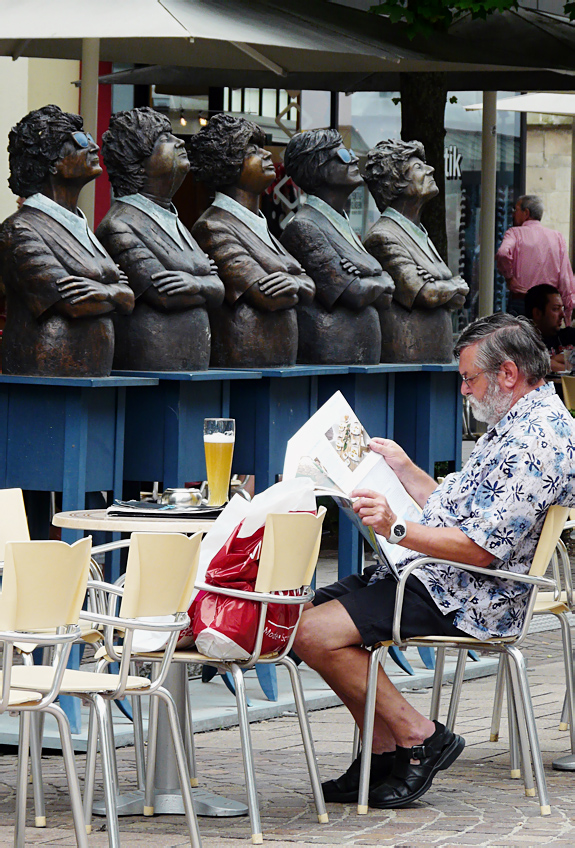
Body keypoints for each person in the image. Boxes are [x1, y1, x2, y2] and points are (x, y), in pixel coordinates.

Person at [294, 312, 575, 810]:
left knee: (315, 633)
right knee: (299, 617)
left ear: (507, 374)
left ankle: (419, 736)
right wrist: (404, 471)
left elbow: (481, 547)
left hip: (474, 593)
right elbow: (458, 509)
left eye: (470, 379)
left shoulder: (539, 440)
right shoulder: (520, 420)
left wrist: (396, 528)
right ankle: (382, 753)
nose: (465, 391)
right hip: (440, 577)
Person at [0, 105, 134, 376]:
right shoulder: (19, 229)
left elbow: (129, 299)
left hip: (93, 378)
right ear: (51, 161)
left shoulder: (80, 226)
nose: (95, 146)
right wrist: (116, 293)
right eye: (81, 140)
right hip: (46, 379)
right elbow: (73, 304)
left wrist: (109, 292)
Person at [97, 107, 225, 371]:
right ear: (137, 163)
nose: (179, 141)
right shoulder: (119, 224)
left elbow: (220, 290)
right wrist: (205, 282)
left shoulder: (173, 220)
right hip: (153, 366)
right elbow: (164, 296)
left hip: (189, 367)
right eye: (164, 138)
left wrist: (194, 283)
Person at [188, 114, 315, 368]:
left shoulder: (259, 223)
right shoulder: (212, 226)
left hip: (275, 362)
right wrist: (297, 282)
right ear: (229, 163)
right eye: (252, 151)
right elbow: (266, 296)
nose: (267, 155)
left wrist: (293, 282)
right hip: (245, 362)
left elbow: (310, 288)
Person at [281, 129, 394, 364]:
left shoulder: (340, 223)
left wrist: (375, 281)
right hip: (331, 355)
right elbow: (353, 293)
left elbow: (385, 297)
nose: (353, 159)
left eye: (351, 152)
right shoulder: (304, 227)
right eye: (343, 155)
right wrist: (382, 279)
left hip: (358, 356)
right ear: (317, 167)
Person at [363, 139, 468, 363]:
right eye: (418, 167)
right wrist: (452, 286)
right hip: (408, 363)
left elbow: (455, 299)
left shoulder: (419, 233)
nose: (430, 169)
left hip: (432, 358)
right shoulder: (383, 236)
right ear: (395, 182)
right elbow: (426, 293)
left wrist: (444, 289)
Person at [496, 195, 575, 322]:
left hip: (522, 301)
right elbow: (565, 278)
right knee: (546, 341)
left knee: (520, 340)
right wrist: (567, 313)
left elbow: (503, 253)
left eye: (516, 210)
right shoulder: (557, 237)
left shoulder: (514, 233)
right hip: (549, 304)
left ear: (526, 212)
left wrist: (509, 277)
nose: (513, 214)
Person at [525, 283, 575, 372]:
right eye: (556, 309)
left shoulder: (568, 335)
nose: (562, 315)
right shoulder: (524, 342)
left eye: (562, 309)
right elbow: (533, 367)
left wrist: (553, 360)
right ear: (537, 313)